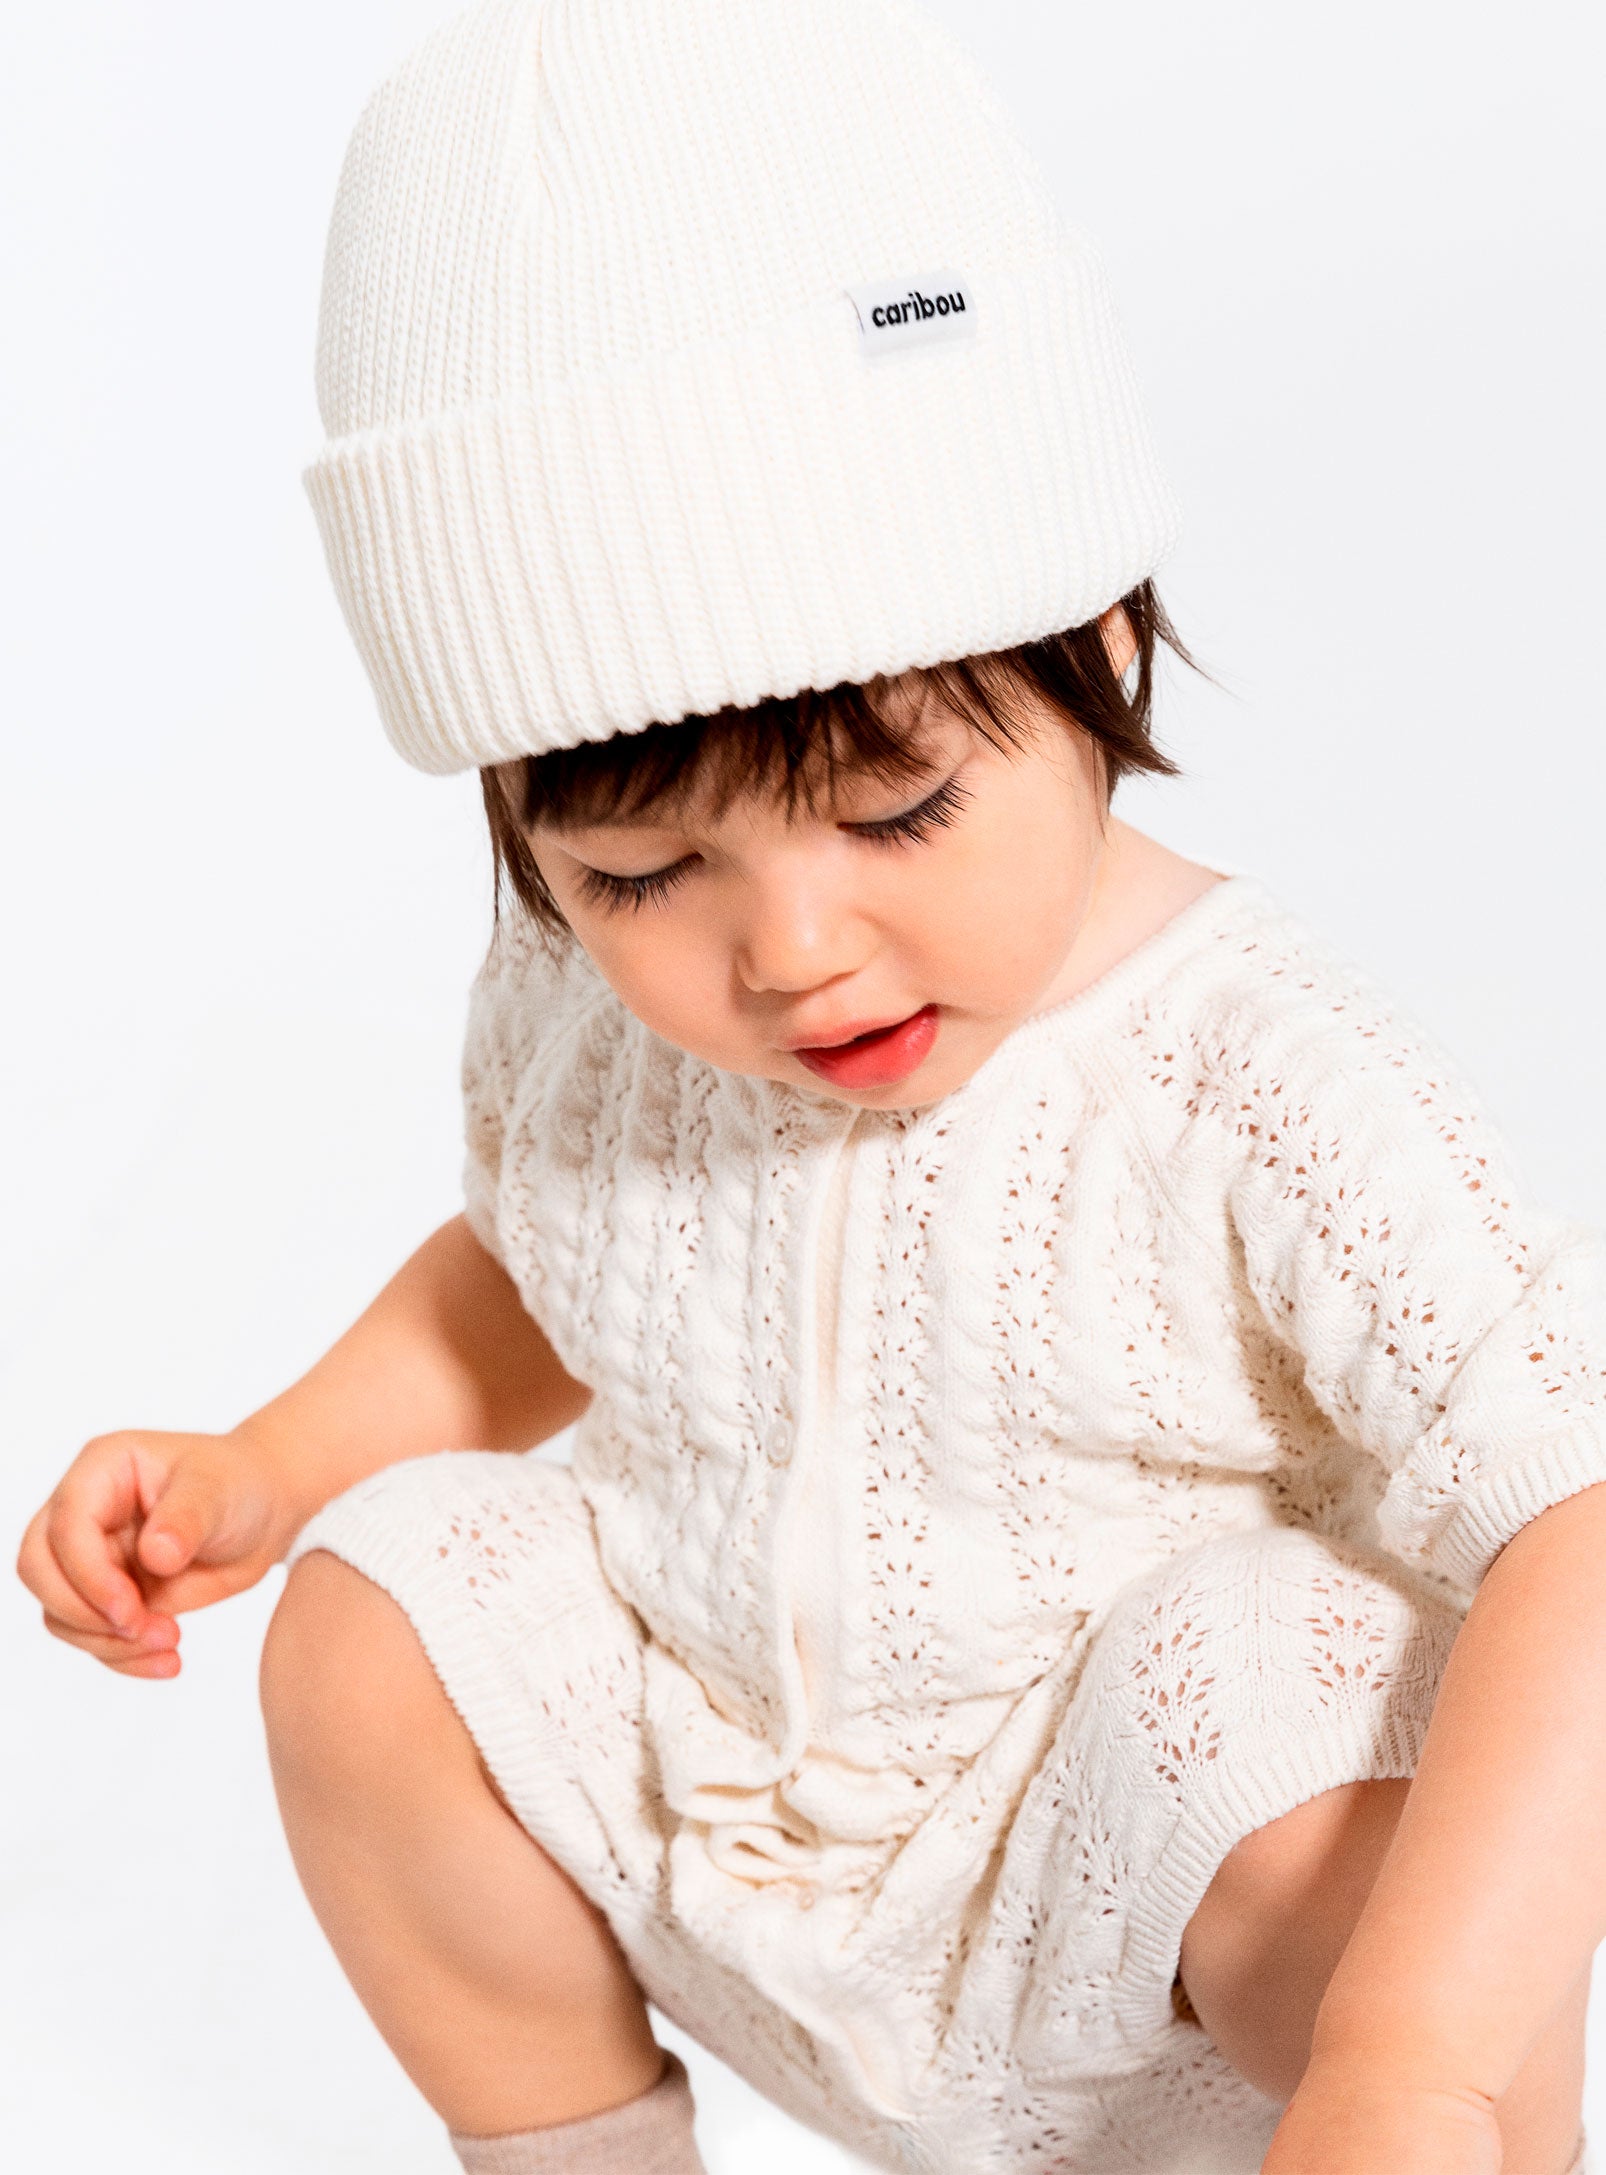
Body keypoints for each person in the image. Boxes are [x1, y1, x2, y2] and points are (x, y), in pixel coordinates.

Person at [17, 2, 1606, 2170]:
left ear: (1096, 643)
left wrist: (1406, 2056)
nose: (786, 951)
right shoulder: (594, 1014)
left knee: (1276, 1668)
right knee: (384, 1605)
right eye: (640, 872)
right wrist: (271, 1464)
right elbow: (547, 1271)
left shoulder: (1252, 1078)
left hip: (1185, 1963)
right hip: (764, 1852)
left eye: (895, 811)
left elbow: (1575, 1507)